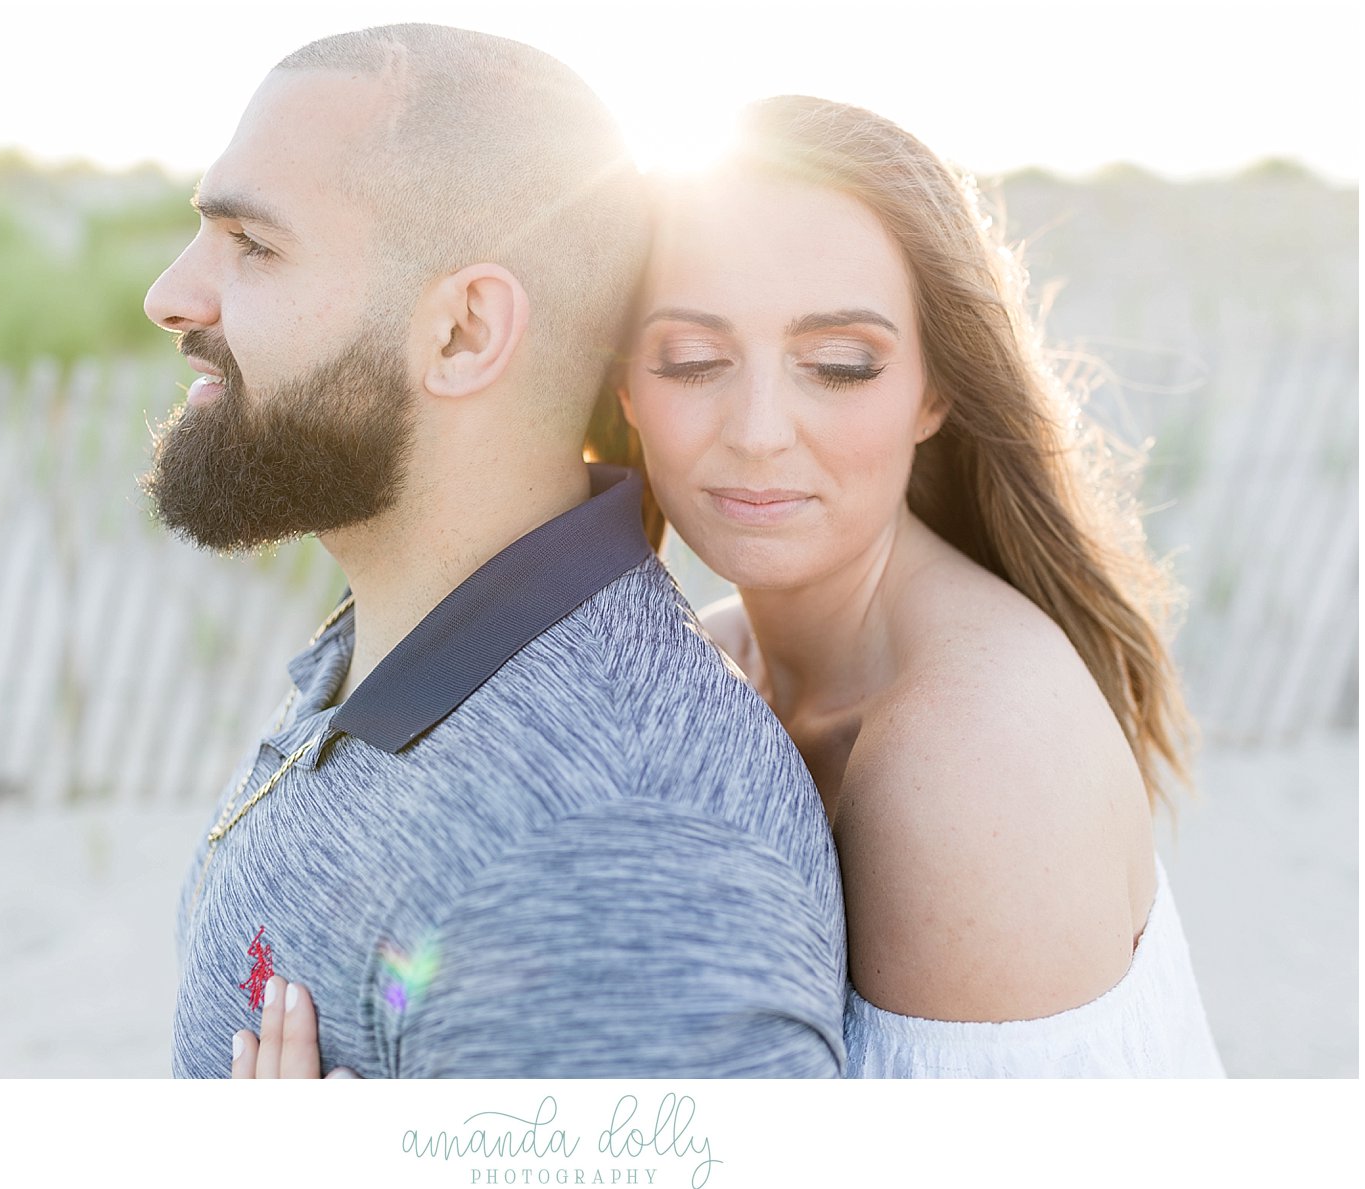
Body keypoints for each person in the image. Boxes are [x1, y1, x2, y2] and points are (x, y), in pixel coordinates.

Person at [248, 94, 1225, 1079]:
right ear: (624, 387)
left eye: (840, 364)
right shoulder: (706, 670)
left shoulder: (977, 752)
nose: (759, 429)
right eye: (694, 359)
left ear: (935, 390)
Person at [141, 25, 847, 1079]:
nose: (170, 296)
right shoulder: (401, 639)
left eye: (254, 245)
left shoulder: (604, 870)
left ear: (465, 331)